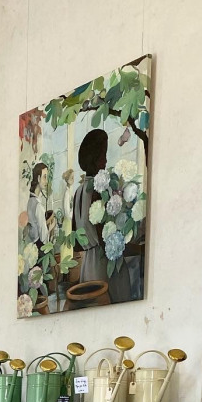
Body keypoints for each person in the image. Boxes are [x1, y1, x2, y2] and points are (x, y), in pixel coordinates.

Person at [72, 129, 131, 303]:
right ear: (94, 158)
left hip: (88, 266)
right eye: (103, 155)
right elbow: (104, 234)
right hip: (104, 264)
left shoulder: (78, 192)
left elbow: (77, 243)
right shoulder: (99, 190)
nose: (105, 161)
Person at [26, 162, 55, 245]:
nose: (47, 181)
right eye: (44, 177)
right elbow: (44, 239)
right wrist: (51, 227)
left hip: (32, 245)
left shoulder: (30, 201)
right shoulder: (38, 206)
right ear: (38, 178)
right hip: (39, 247)